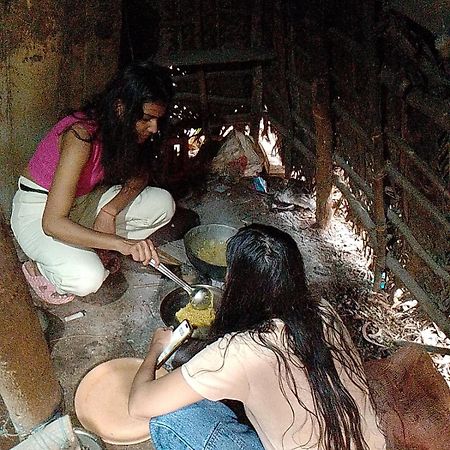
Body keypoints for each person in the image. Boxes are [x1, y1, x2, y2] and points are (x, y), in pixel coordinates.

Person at [128, 224, 386, 450]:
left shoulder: (241, 351)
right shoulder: (322, 310)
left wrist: (156, 348)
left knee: (170, 421)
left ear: (236, 282)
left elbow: (139, 405)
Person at [11, 61, 176, 305]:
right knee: (87, 278)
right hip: (40, 210)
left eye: (157, 120)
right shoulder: (81, 136)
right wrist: (121, 243)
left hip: (83, 201)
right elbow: (53, 222)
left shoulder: (123, 130)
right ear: (121, 108)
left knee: (163, 204)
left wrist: (109, 211)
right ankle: (40, 268)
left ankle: (85, 247)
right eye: (147, 119)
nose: (154, 128)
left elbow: (140, 175)